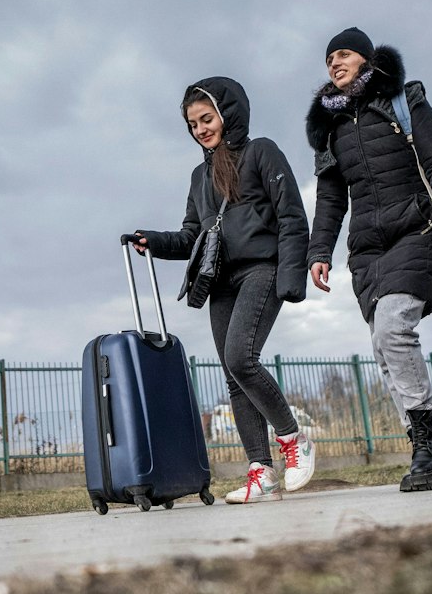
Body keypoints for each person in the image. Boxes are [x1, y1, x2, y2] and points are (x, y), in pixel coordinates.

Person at [128, 77, 315, 503]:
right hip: (221, 281)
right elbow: (192, 235)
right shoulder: (200, 176)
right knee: (234, 377)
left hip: (262, 270)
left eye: (206, 119)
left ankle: (293, 440)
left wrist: (291, 275)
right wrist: (154, 241)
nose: (200, 129)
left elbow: (291, 215)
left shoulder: (262, 152)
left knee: (240, 358)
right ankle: (260, 470)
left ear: (228, 114)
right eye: (193, 124)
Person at [305, 28, 432, 491]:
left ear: (366, 58)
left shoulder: (403, 99)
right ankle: (428, 447)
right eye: (328, 60)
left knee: (395, 328)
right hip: (368, 248)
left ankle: (425, 447)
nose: (334, 64)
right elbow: (331, 197)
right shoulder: (330, 127)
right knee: (383, 343)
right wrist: (320, 251)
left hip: (417, 230)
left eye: (343, 55)